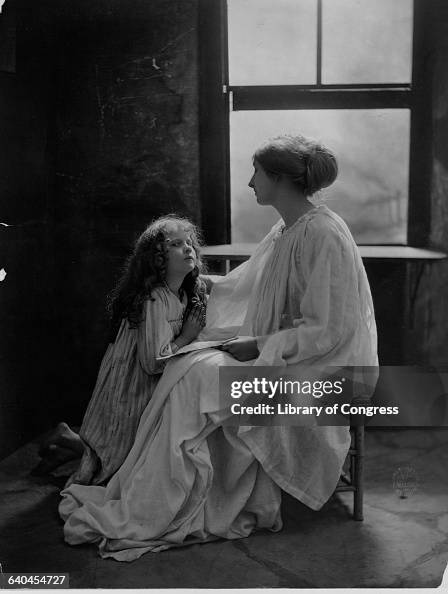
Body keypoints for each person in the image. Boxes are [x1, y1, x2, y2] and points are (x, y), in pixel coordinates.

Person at [58, 135, 378, 561]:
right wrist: (190, 284)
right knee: (191, 367)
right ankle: (169, 490)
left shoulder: (323, 234)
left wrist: (260, 343)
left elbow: (331, 329)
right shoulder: (287, 228)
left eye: (257, 173)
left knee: (201, 374)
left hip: (328, 368)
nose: (250, 182)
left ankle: (176, 496)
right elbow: (247, 284)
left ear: (281, 179)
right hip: (292, 353)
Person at [34, 215, 207, 485]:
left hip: (150, 382)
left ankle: (68, 444)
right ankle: (68, 441)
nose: (187, 248)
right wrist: (186, 337)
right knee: (123, 457)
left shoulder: (184, 292)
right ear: (157, 259)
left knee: (131, 454)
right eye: (175, 244)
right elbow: (152, 362)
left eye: (189, 243)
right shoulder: (154, 299)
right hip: (132, 383)